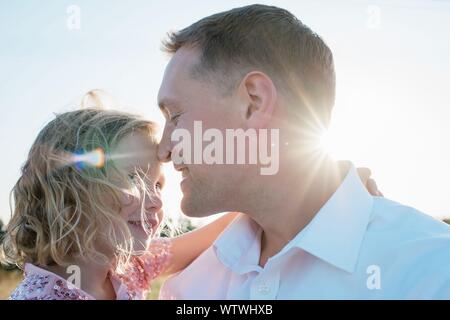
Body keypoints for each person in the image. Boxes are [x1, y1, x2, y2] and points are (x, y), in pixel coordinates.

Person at [157, 4, 450, 299]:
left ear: (254, 102)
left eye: (176, 116)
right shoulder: (187, 290)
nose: (163, 150)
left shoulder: (434, 270)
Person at [0, 96, 238, 300]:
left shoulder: (128, 268)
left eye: (158, 185)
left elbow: (218, 232)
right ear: (71, 191)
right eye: (134, 178)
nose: (156, 201)